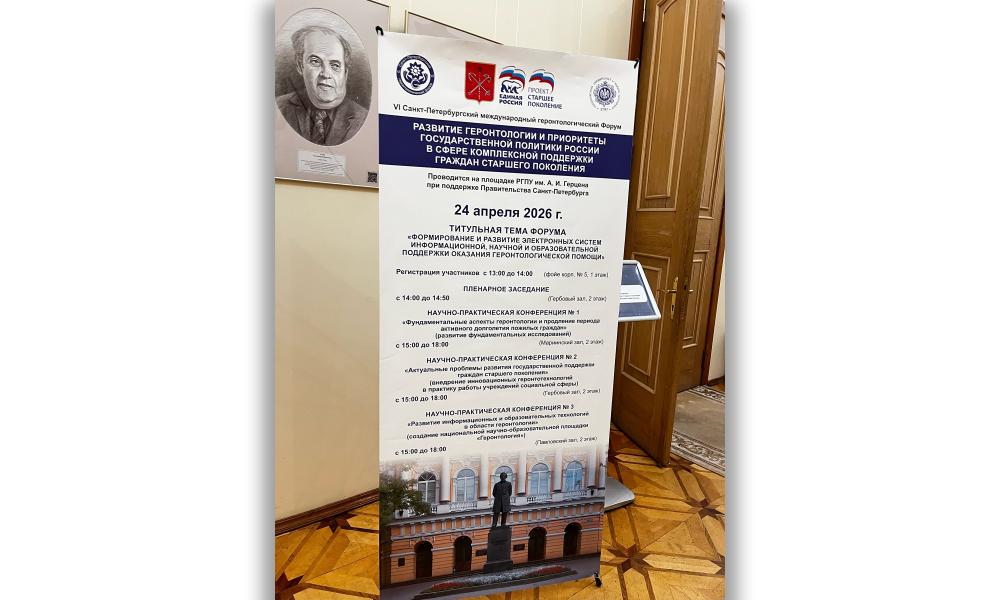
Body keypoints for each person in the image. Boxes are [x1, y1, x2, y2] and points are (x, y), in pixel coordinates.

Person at [277, 25, 367, 146]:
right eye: (315, 61)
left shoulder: (364, 119)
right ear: (300, 65)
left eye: (335, 65)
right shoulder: (278, 107)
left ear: (345, 72)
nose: (325, 74)